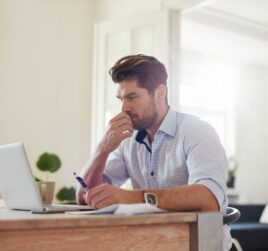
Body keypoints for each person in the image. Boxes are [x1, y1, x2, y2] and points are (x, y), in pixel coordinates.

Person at [76, 54, 231, 250]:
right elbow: (84, 196)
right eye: (121, 99)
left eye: (132, 97)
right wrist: (102, 150)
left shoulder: (198, 132)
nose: (124, 108)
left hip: (198, 244)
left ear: (159, 92)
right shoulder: (128, 141)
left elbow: (209, 199)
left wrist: (131, 198)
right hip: (149, 243)